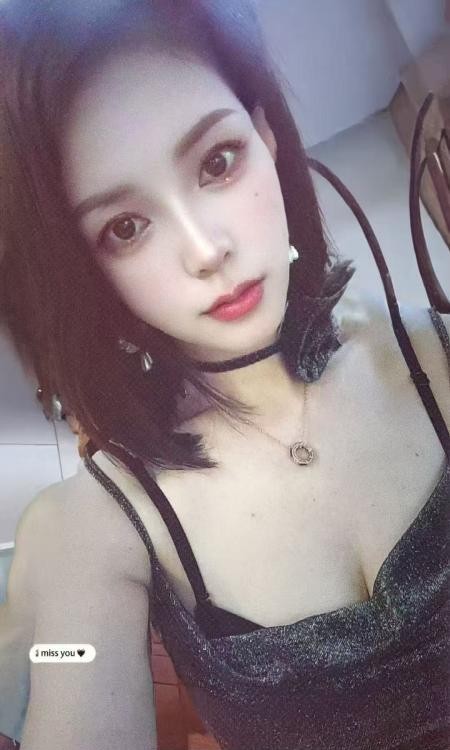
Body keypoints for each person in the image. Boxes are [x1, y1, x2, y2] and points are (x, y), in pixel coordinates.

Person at [0, 1, 449, 748]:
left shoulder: (440, 354)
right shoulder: (94, 523)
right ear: (89, 275)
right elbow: (65, 665)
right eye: (125, 227)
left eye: (217, 161)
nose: (206, 249)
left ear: (266, 135)